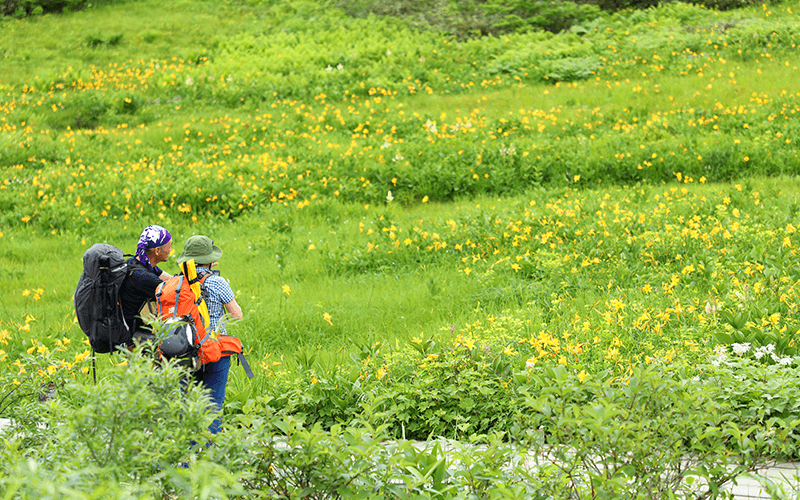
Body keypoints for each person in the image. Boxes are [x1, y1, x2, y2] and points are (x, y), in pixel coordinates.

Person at [176, 235, 243, 434]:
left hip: (186, 351)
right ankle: (211, 456)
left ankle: (188, 453)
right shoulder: (218, 282)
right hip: (215, 350)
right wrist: (225, 290)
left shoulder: (178, 283)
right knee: (213, 405)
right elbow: (237, 315)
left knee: (188, 404)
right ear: (210, 260)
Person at [119, 224, 173, 344]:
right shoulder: (144, 278)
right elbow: (175, 293)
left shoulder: (137, 261)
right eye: (169, 246)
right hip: (137, 339)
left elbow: (169, 280)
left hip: (135, 332)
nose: (170, 250)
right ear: (158, 250)